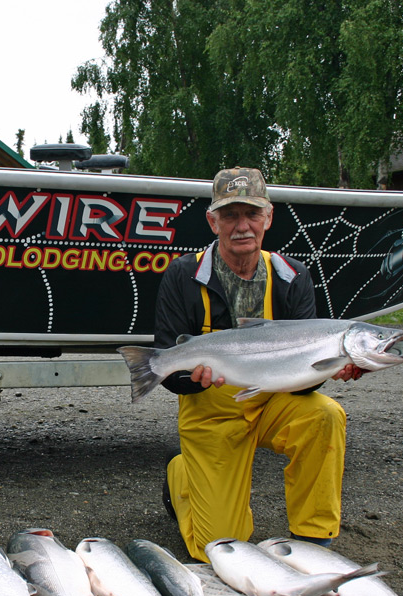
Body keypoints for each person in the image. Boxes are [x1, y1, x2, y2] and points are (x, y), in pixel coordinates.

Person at [155, 167, 362, 562]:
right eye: (230, 215)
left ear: (268, 217)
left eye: (251, 214)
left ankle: (313, 543)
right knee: (219, 550)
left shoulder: (293, 275)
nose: (242, 226)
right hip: (212, 411)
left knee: (325, 416)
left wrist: (328, 369)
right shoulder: (182, 275)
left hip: (272, 400)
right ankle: (181, 474)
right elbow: (169, 366)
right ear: (212, 221)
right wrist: (193, 380)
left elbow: (301, 382)